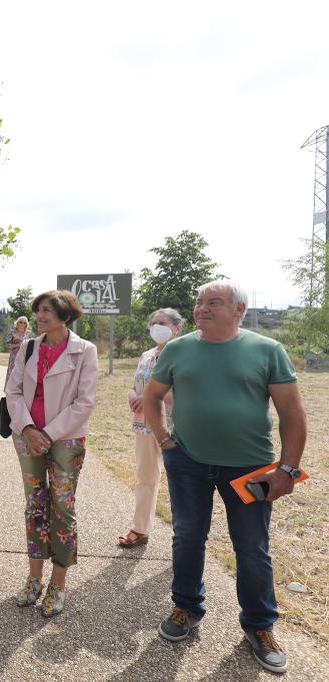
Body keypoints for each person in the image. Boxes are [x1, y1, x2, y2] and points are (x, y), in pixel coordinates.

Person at [143, 280, 306, 673]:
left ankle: (259, 626)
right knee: (187, 537)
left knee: (252, 547)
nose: (202, 308)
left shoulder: (268, 351)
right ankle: (186, 608)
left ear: (239, 310)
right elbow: (151, 397)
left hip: (250, 467)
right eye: (200, 302)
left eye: (214, 302)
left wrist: (286, 469)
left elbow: (292, 413)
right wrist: (164, 438)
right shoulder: (178, 350)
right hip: (188, 463)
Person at [4, 290, 97, 617]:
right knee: (35, 504)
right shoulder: (29, 347)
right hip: (27, 437)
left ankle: (58, 584)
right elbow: (12, 391)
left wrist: (47, 433)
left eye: (48, 311)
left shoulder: (85, 351)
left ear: (66, 316)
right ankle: (34, 578)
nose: (40, 316)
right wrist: (29, 429)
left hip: (65, 440)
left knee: (62, 506)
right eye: (38, 310)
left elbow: (84, 403)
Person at [118, 308, 184, 548]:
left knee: (183, 481)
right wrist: (133, 396)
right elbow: (136, 385)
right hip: (144, 425)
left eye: (163, 322)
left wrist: (148, 397)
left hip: (175, 426)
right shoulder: (146, 355)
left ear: (177, 328)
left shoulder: (184, 354)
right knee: (145, 477)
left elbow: (184, 392)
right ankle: (140, 528)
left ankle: (186, 535)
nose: (157, 326)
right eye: (154, 322)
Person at [6, 316, 31, 380]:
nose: (22, 324)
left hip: (25, 357)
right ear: (17, 323)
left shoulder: (28, 333)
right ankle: (10, 389)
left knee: (23, 375)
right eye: (21, 322)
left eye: (24, 323)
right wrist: (19, 344)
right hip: (14, 357)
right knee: (13, 374)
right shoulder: (12, 332)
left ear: (26, 324)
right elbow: (8, 345)